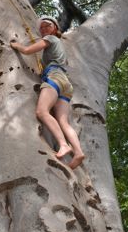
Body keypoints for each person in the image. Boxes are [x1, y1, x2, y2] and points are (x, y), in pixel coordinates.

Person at [10, 16, 85, 169]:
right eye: (41, 27)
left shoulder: (50, 38)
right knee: (63, 122)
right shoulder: (60, 46)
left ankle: (64, 145)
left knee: (42, 112)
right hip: (65, 84)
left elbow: (27, 50)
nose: (44, 29)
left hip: (54, 77)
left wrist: (15, 45)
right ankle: (78, 152)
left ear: (55, 28)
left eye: (47, 26)